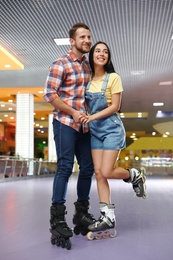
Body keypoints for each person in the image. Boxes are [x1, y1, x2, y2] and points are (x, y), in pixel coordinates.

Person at [79, 41, 147, 238]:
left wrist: (91, 117)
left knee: (107, 171)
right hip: (95, 131)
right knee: (99, 173)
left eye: (105, 52)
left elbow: (115, 106)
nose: (101, 54)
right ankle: (107, 217)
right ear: (92, 55)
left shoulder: (113, 78)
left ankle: (134, 174)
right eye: (98, 51)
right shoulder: (88, 80)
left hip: (111, 129)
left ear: (108, 57)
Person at [43, 23, 95, 249]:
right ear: (72, 41)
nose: (87, 40)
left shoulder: (88, 67)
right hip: (65, 123)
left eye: (89, 37)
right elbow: (49, 94)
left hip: (84, 126)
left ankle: (81, 213)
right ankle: (57, 219)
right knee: (65, 166)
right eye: (82, 37)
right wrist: (73, 112)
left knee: (88, 167)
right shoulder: (60, 64)